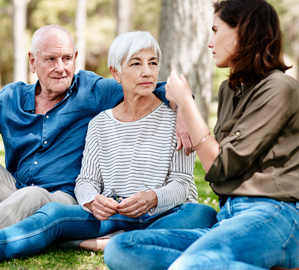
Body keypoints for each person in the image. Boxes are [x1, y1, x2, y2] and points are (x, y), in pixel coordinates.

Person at [0, 31, 218, 267]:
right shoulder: (11, 99)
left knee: (36, 196)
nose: (60, 67)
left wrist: (182, 108)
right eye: (51, 59)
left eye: (67, 59)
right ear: (32, 62)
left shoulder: (92, 91)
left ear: (76, 59)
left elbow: (146, 84)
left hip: (59, 198)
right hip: (15, 192)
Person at [104, 1, 299, 269]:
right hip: (229, 217)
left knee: (189, 265)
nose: (210, 42)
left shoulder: (279, 87)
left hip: (273, 215)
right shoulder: (229, 90)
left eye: (216, 30)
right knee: (121, 248)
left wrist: (186, 105)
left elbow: (218, 168)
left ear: (242, 31)